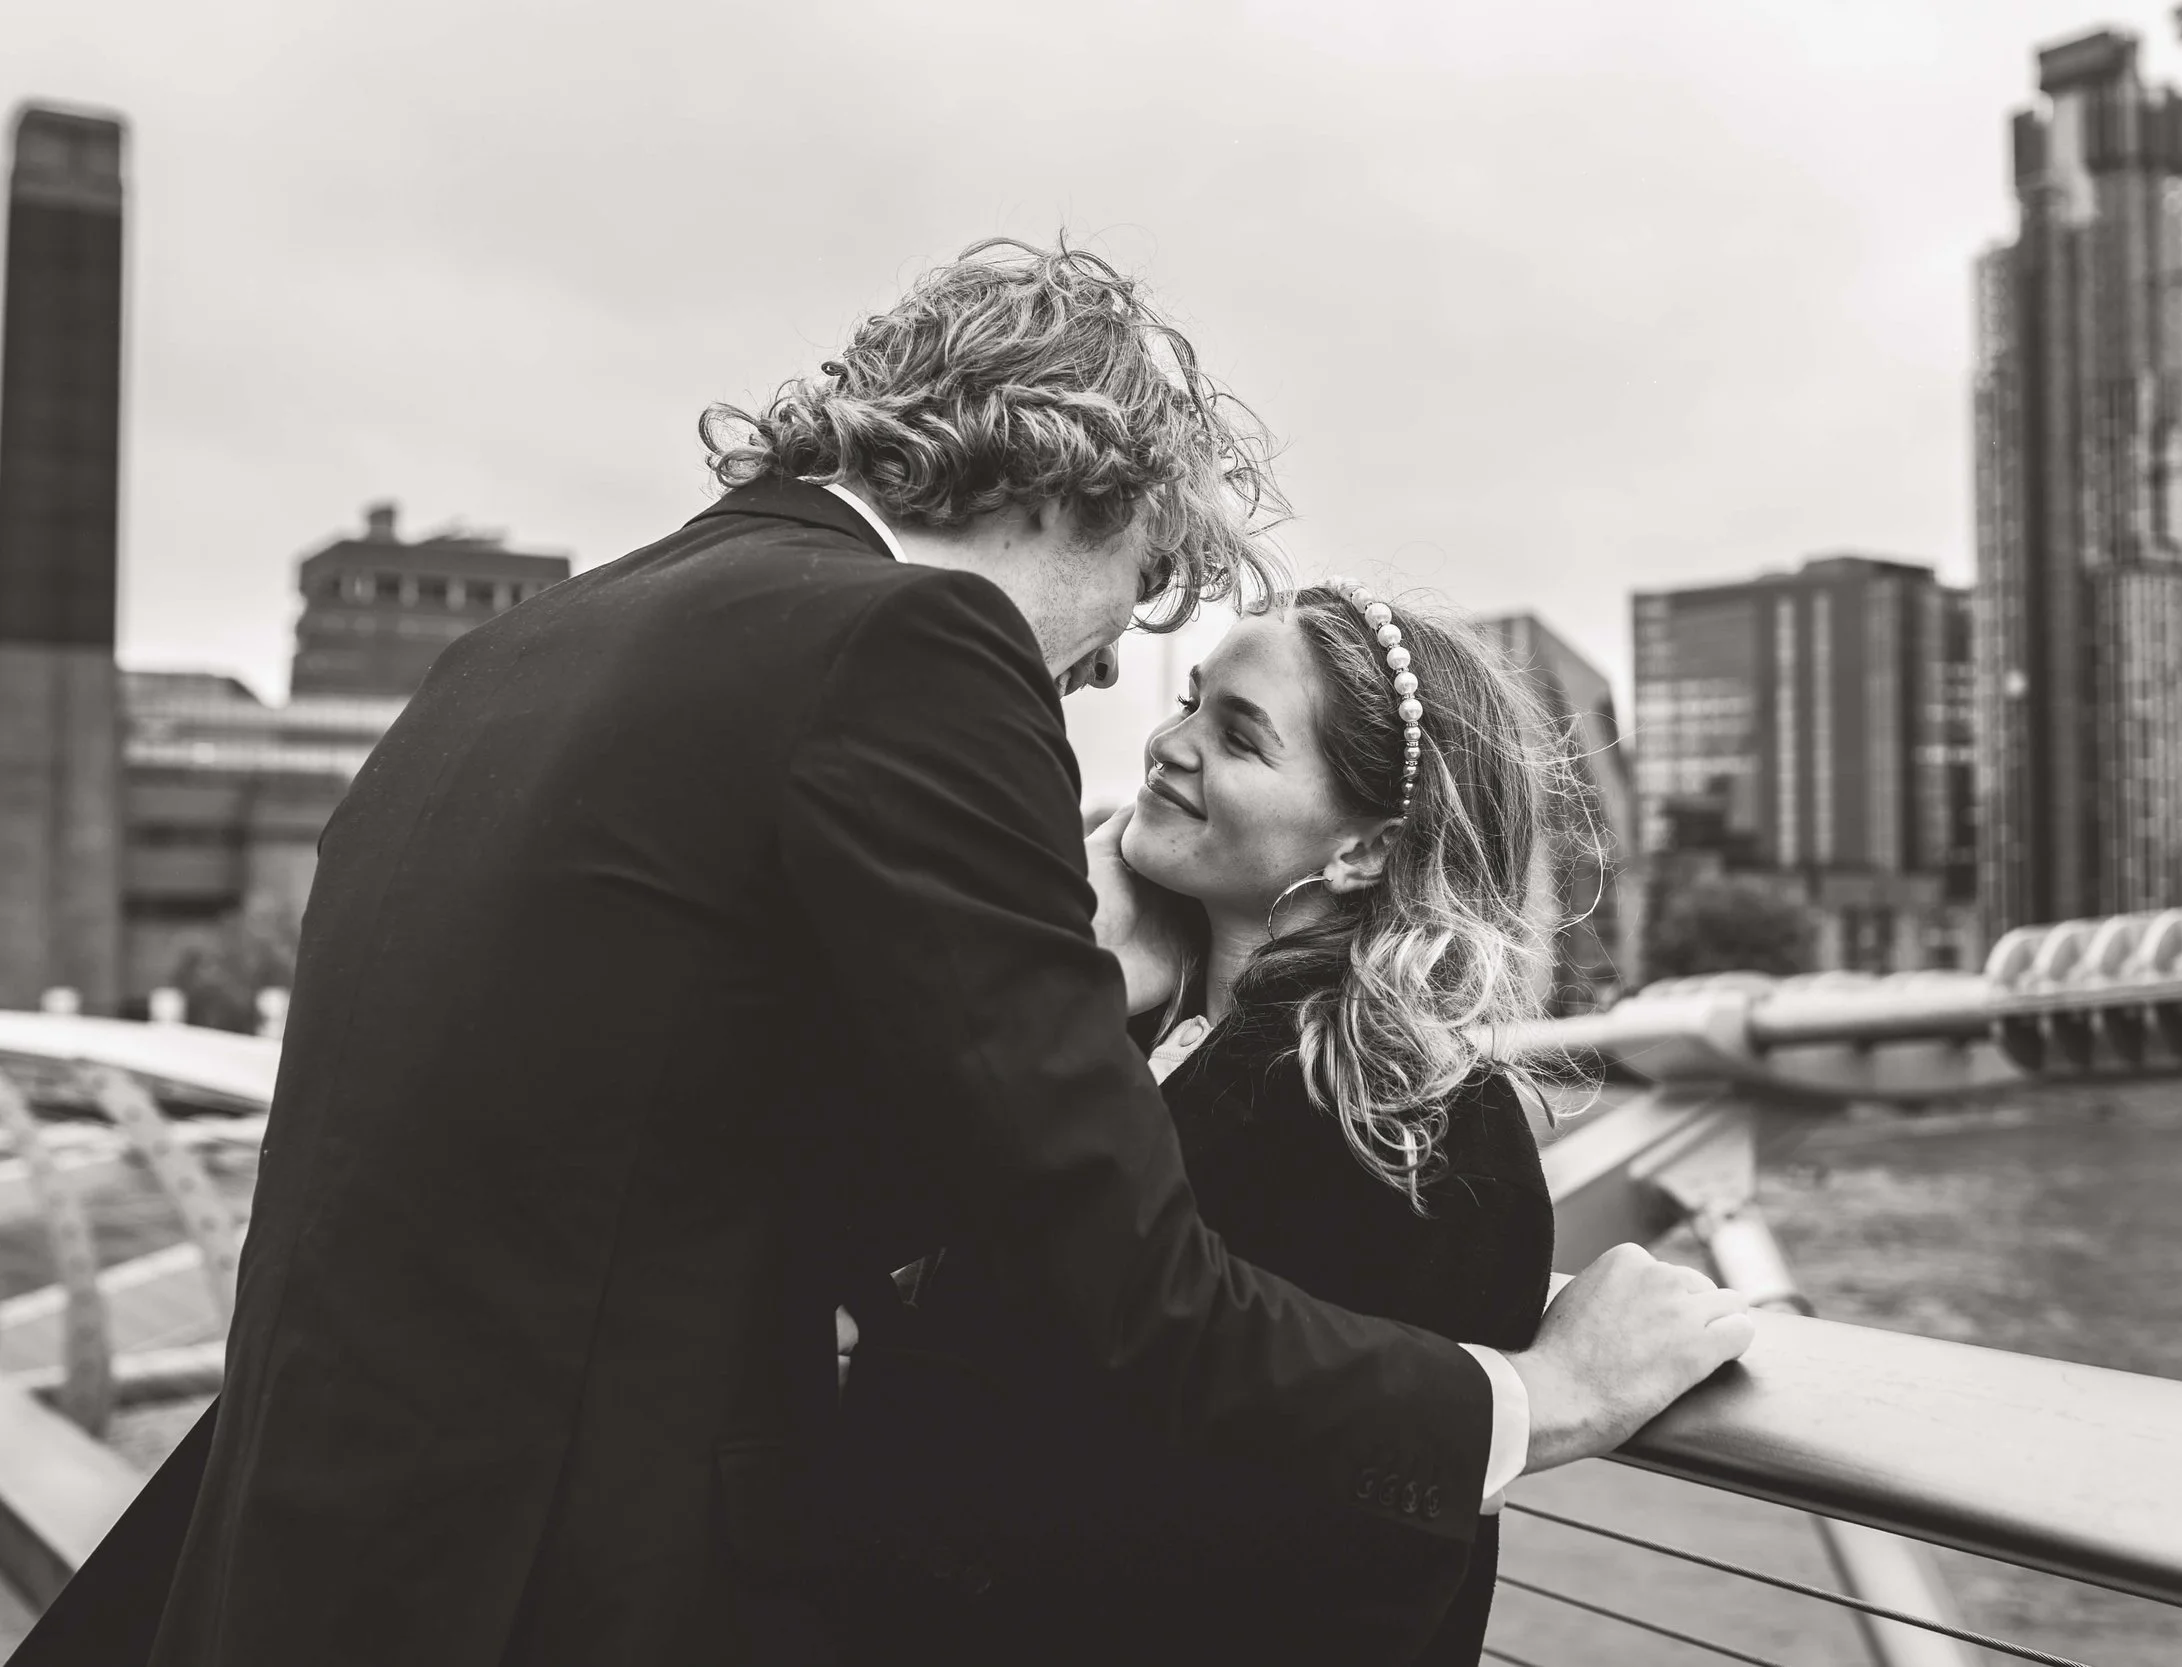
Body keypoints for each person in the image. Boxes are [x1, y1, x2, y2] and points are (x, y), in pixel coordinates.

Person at [16, 240, 1752, 1667]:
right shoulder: (913, 643)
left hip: (305, 1555)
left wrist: (1089, 985)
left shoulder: (526, 651)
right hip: (552, 1585)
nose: (1102, 679)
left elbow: (676, 1142)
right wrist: (1531, 1401)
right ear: (1083, 489)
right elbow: (1127, 1291)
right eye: (1141, 598)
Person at [832, 581, 1592, 1664]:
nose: (1167, 744)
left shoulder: (1424, 1126)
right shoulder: (1108, 1027)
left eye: (1238, 735)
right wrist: (1073, 957)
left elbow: (1364, 1559)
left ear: (1363, 850)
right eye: (1191, 700)